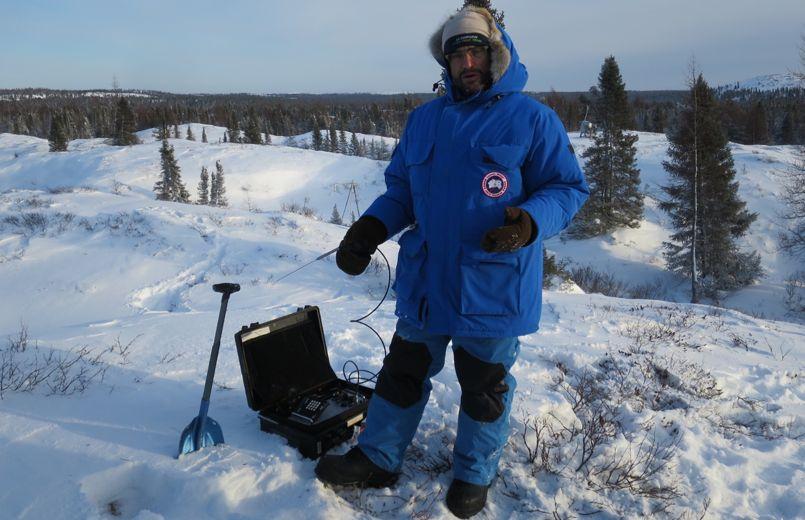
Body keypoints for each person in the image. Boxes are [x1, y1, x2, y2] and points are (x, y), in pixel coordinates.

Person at [315, 6, 588, 518]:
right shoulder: (425, 120)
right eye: (457, 54)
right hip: (426, 280)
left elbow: (568, 188)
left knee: (484, 386)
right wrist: (369, 230)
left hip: (493, 283)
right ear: (446, 62)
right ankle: (378, 457)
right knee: (402, 371)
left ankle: (473, 474)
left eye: (475, 52)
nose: (467, 63)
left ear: (495, 55)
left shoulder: (531, 118)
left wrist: (528, 222)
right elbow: (401, 191)